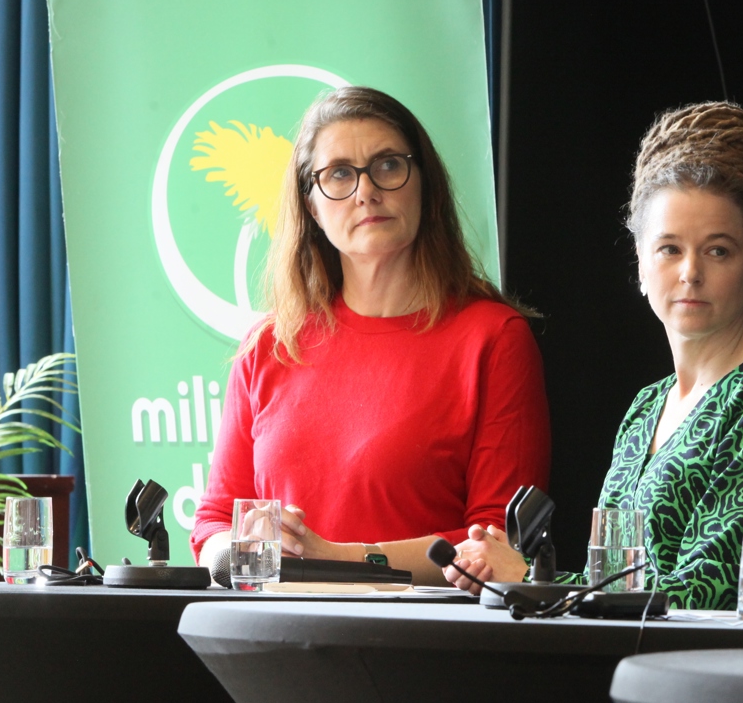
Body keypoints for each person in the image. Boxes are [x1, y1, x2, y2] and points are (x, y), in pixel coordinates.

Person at [441, 102, 743, 610]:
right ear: (641, 261)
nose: (689, 272)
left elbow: (713, 591)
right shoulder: (645, 407)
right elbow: (611, 581)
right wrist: (512, 572)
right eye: (670, 249)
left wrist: (532, 577)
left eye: (718, 250)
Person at [189, 87, 551, 585]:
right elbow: (210, 526)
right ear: (311, 206)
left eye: (387, 165)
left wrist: (333, 558)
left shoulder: (493, 338)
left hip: (423, 645)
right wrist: (244, 549)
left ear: (424, 185)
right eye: (339, 173)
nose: (365, 191)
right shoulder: (268, 346)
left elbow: (495, 543)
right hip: (278, 638)